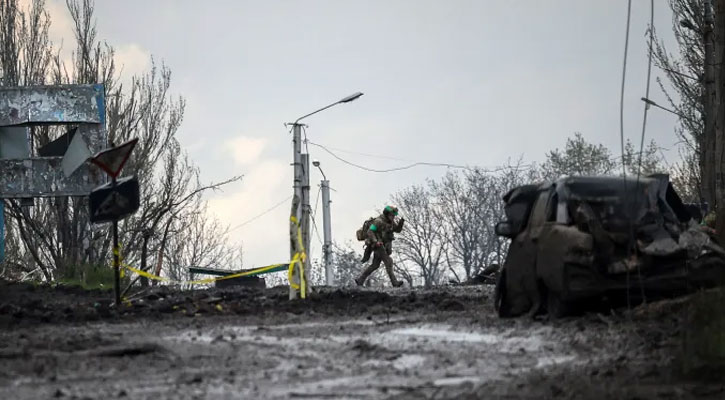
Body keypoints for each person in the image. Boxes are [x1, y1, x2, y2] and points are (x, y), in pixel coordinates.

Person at [355, 206, 405, 287]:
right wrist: (375, 241)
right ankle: (394, 283)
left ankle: (360, 280)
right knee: (388, 261)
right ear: (387, 214)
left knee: (375, 265)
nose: (393, 217)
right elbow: (370, 231)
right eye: (392, 215)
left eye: (394, 216)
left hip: (384, 246)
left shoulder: (390, 222)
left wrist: (401, 222)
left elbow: (398, 230)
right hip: (378, 245)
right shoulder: (378, 221)